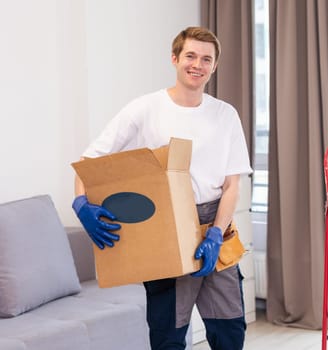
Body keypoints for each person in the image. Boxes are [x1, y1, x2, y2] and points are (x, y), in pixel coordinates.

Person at [71, 26, 252, 350]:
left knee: (230, 333)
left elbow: (232, 184)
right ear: (175, 58)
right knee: (167, 335)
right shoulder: (145, 108)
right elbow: (90, 160)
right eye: (191, 56)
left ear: (214, 66)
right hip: (164, 229)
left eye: (206, 59)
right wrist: (81, 203)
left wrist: (214, 233)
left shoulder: (225, 115)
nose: (197, 64)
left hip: (216, 227)